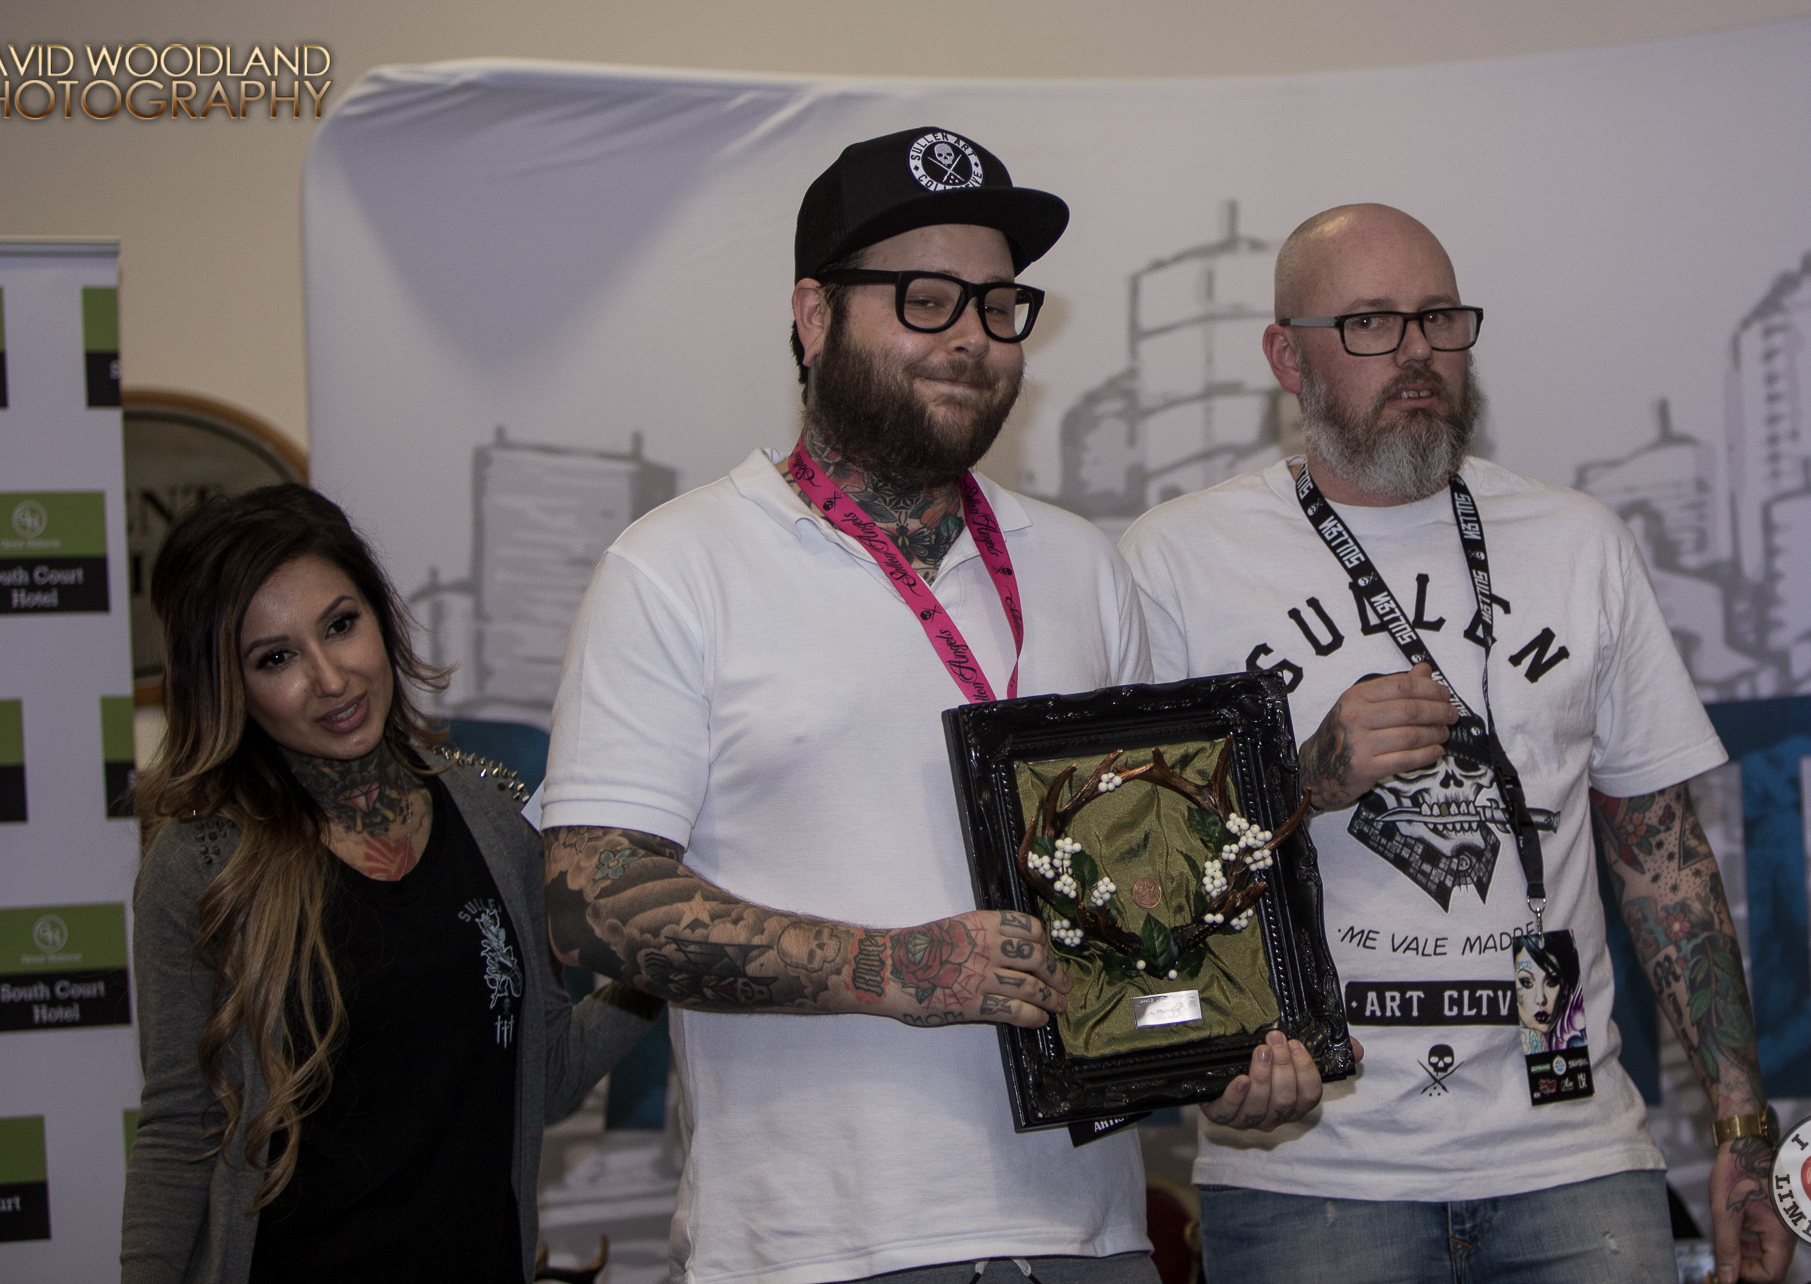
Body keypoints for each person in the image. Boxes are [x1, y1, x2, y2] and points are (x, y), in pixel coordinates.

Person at [537, 127, 1334, 1284]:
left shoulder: (1080, 566)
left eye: (998, 305)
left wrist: (1220, 1056)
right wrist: (898, 968)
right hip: (812, 1248)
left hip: (1087, 1236)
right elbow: (590, 901)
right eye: (924, 300)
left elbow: (1154, 873)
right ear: (813, 316)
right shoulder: (677, 566)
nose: (970, 337)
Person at [1120, 204, 1794, 1284]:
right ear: (1286, 357)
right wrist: (1307, 779)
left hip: (1573, 1160)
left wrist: (1742, 1125)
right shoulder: (1176, 562)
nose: (1416, 351)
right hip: (1309, 1172)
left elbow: (1662, 860)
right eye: (1371, 323)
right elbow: (1131, 873)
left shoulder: (1577, 543)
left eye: (1438, 317)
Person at [121, 484, 657, 1284]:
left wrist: (666, 953)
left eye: (341, 625)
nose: (330, 678)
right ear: (229, 685)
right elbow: (179, 1129)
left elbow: (544, 1078)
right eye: (276, 658)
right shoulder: (202, 861)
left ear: (380, 616)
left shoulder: (490, 817)